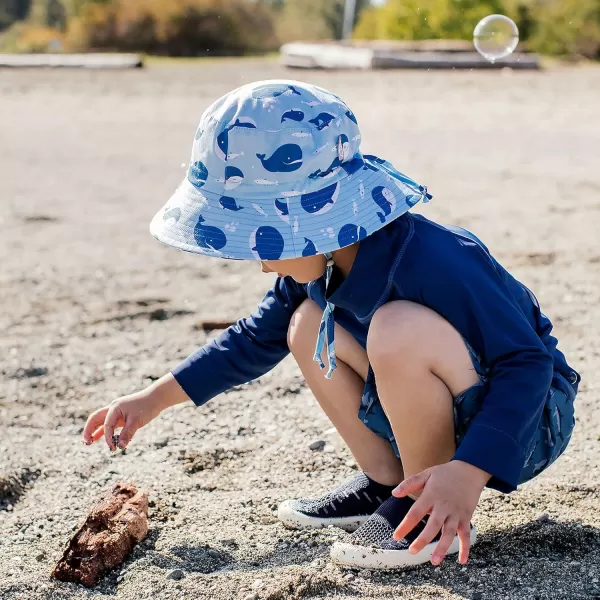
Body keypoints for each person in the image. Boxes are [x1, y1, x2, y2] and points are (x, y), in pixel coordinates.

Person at [82, 80, 579, 570]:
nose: (262, 263)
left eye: (266, 242)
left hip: (524, 421)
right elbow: (253, 339)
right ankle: (389, 482)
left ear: (311, 222)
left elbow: (527, 363)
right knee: (303, 323)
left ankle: (428, 511)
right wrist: (153, 398)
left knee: (395, 326)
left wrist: (468, 473)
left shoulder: (438, 259)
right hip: (450, 401)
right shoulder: (321, 261)